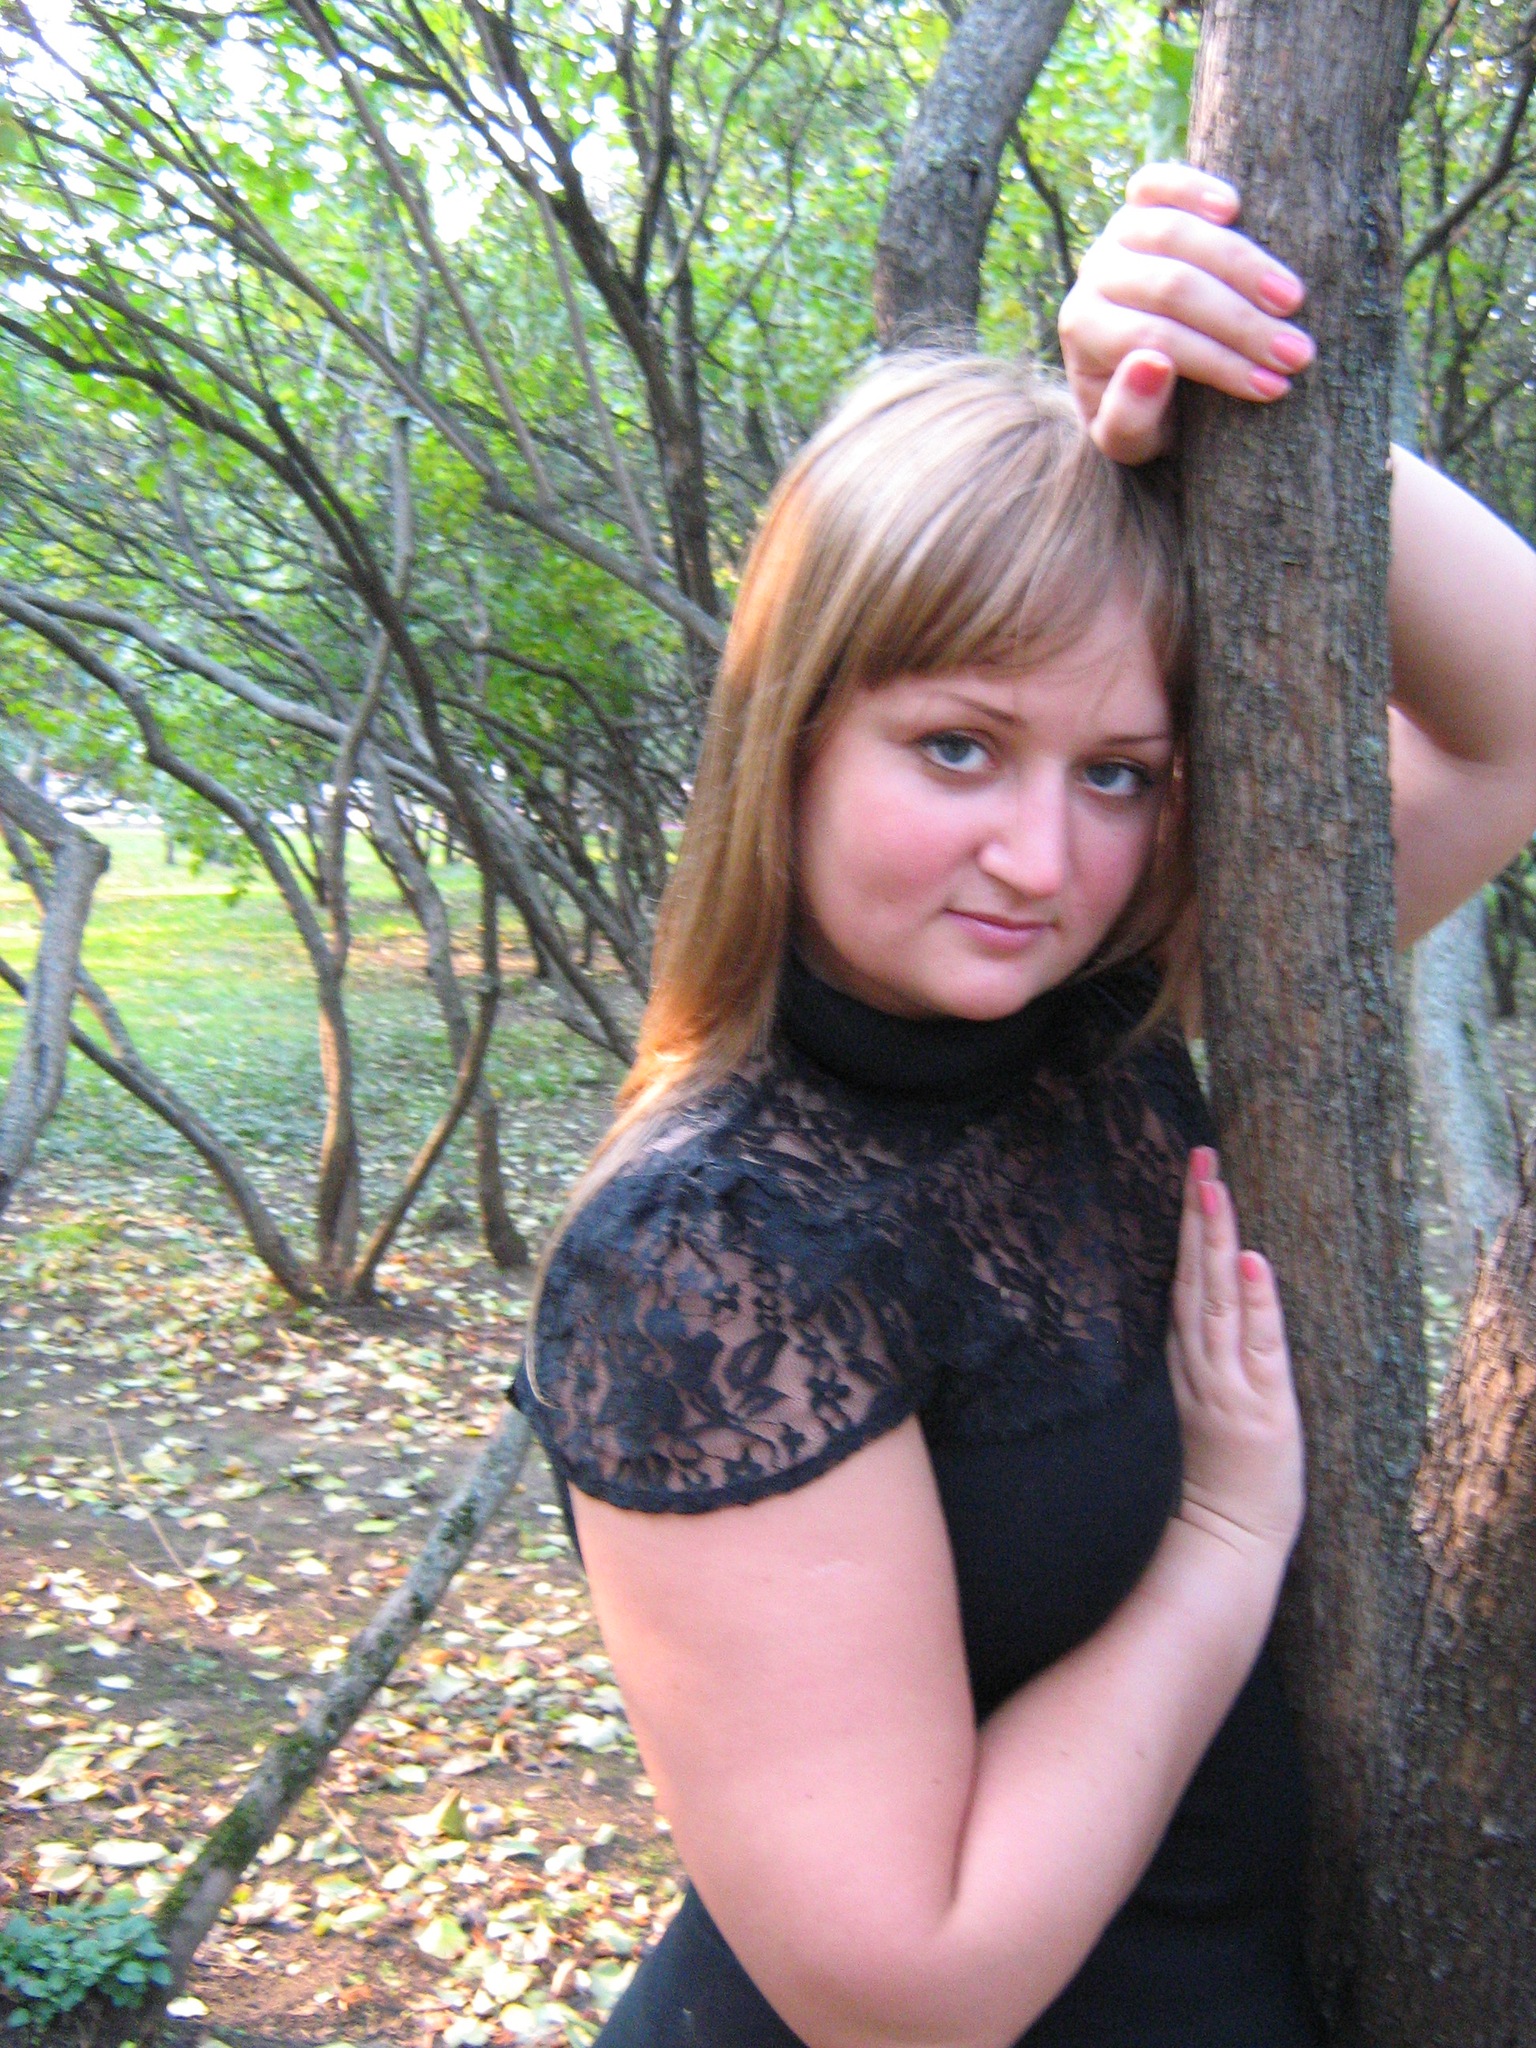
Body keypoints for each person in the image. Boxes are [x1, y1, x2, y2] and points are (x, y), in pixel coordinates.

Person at [511, 163, 1536, 2048]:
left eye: (1118, 772)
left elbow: (1514, 716)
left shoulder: (1105, 1020)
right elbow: (910, 1986)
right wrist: (1222, 1541)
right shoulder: (705, 1256)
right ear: (792, 730)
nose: (1041, 859)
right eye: (958, 746)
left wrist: (1249, 395)